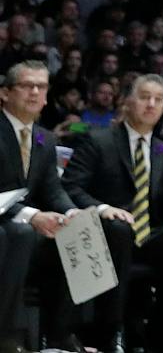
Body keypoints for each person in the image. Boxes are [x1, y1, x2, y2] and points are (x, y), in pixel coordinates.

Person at [61, 75, 163, 353]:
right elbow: (71, 187)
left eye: (158, 99)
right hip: (106, 235)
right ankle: (111, 333)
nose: (151, 104)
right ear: (127, 101)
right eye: (144, 97)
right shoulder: (97, 139)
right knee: (119, 228)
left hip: (149, 236)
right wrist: (103, 209)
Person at [0, 62, 71, 353]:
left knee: (76, 230)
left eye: (41, 86)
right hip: (7, 223)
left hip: (24, 221)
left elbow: (52, 189)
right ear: (5, 93)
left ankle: (61, 336)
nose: (34, 92)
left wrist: (71, 213)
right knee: (21, 234)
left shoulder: (44, 137)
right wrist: (32, 216)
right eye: (26, 85)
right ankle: (7, 334)